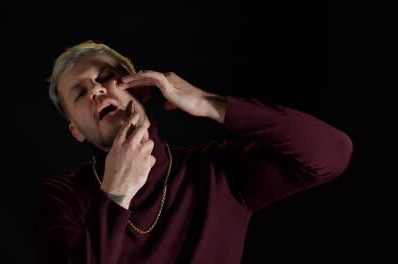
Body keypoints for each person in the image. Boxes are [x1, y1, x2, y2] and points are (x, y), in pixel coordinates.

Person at [34, 40, 353, 264]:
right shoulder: (63, 199)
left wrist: (208, 103)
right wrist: (116, 193)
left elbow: (331, 154)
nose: (96, 90)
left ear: (142, 88)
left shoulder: (215, 172)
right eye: (80, 93)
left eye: (105, 78)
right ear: (75, 130)